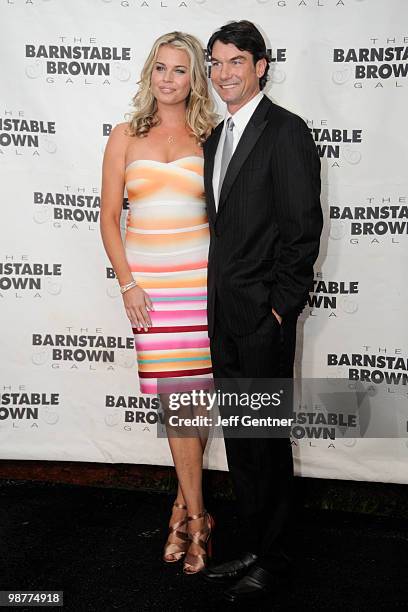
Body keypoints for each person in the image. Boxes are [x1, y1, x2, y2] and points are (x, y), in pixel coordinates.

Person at [201, 21, 323, 602]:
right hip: (223, 319)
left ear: (261, 66)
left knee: (267, 444)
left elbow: (302, 236)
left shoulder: (287, 132)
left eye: (235, 62)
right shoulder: (214, 138)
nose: (224, 73)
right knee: (242, 442)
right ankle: (254, 546)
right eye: (216, 63)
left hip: (261, 322)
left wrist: (279, 312)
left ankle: (275, 561)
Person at [100, 31, 217, 574]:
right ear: (149, 73)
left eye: (180, 70)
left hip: (202, 288)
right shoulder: (125, 135)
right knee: (177, 406)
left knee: (193, 404)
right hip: (151, 294)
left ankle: (184, 511)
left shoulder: (211, 136)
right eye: (160, 69)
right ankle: (199, 519)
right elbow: (109, 219)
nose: (168, 79)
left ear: (195, 78)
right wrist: (128, 285)